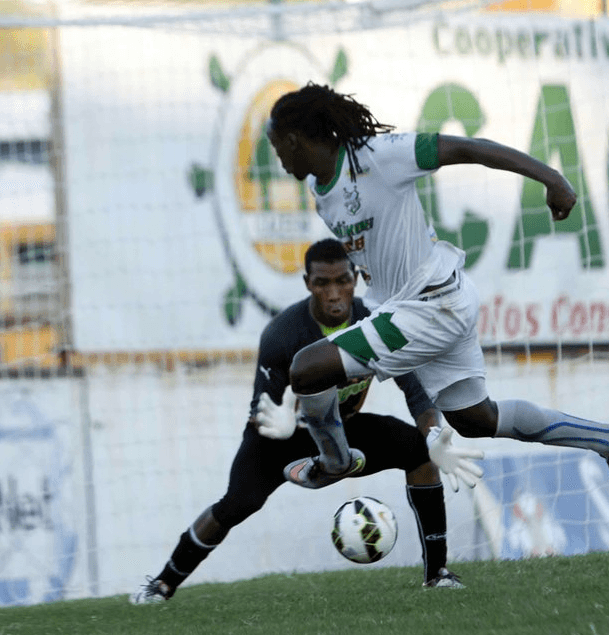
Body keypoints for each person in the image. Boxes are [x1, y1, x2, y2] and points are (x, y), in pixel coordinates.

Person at [264, 83, 609, 504]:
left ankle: (335, 461)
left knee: (305, 369)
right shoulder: (321, 192)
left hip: (429, 308)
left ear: (294, 140)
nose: (279, 159)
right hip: (432, 303)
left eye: (277, 147)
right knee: (477, 418)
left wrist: (551, 178)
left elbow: (472, 148)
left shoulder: (378, 156)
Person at [131, 239, 474, 604]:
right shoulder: (282, 333)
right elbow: (261, 409)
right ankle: (162, 585)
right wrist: (287, 419)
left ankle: (437, 573)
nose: (334, 293)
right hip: (282, 437)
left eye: (342, 281)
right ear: (307, 283)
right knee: (237, 503)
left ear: (356, 278)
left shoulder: (377, 320)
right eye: (322, 283)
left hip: (343, 430)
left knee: (420, 454)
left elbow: (417, 393)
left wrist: (434, 433)